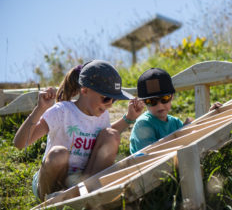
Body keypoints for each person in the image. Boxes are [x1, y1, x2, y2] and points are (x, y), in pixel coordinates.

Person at [13, 60, 144, 201]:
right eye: (106, 98)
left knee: (110, 136)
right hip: (50, 180)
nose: (110, 105)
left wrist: (129, 118)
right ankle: (50, 200)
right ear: (85, 90)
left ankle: (90, 193)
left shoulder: (102, 113)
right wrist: (40, 109)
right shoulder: (62, 111)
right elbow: (20, 143)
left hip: (81, 180)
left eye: (114, 100)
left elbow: (100, 135)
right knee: (59, 153)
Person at [129, 68, 192, 154]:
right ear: (143, 102)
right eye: (151, 101)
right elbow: (151, 155)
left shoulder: (176, 123)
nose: (160, 105)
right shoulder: (143, 124)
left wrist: (189, 128)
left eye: (164, 98)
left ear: (172, 96)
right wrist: (182, 132)